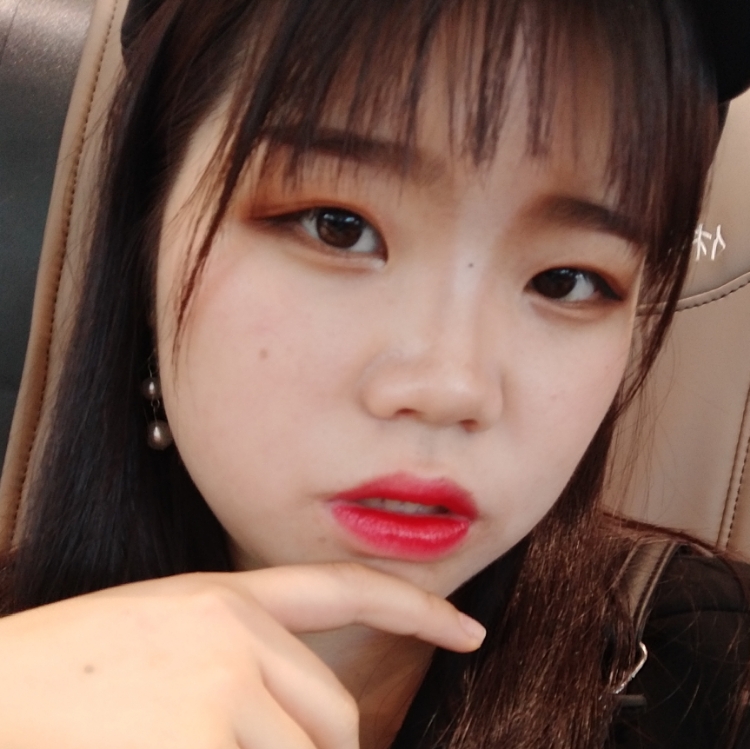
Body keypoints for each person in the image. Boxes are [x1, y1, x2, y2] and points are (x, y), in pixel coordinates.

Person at [0, 0, 749, 747]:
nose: (451, 388)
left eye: (566, 280)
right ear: (151, 232)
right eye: (338, 227)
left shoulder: (707, 671)